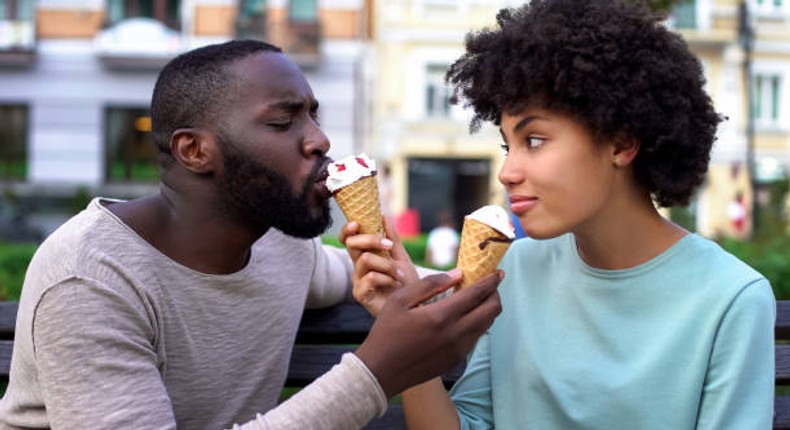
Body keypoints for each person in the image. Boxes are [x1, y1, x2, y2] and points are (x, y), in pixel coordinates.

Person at [0, 40, 503, 429]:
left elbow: (372, 274)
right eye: (285, 121)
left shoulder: (280, 247)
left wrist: (507, 276)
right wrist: (375, 371)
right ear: (195, 151)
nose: (320, 140)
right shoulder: (91, 279)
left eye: (313, 115)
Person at [342, 1, 776, 428]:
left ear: (621, 143)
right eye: (507, 146)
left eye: (534, 140)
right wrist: (408, 323)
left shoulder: (731, 298)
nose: (509, 172)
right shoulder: (513, 270)